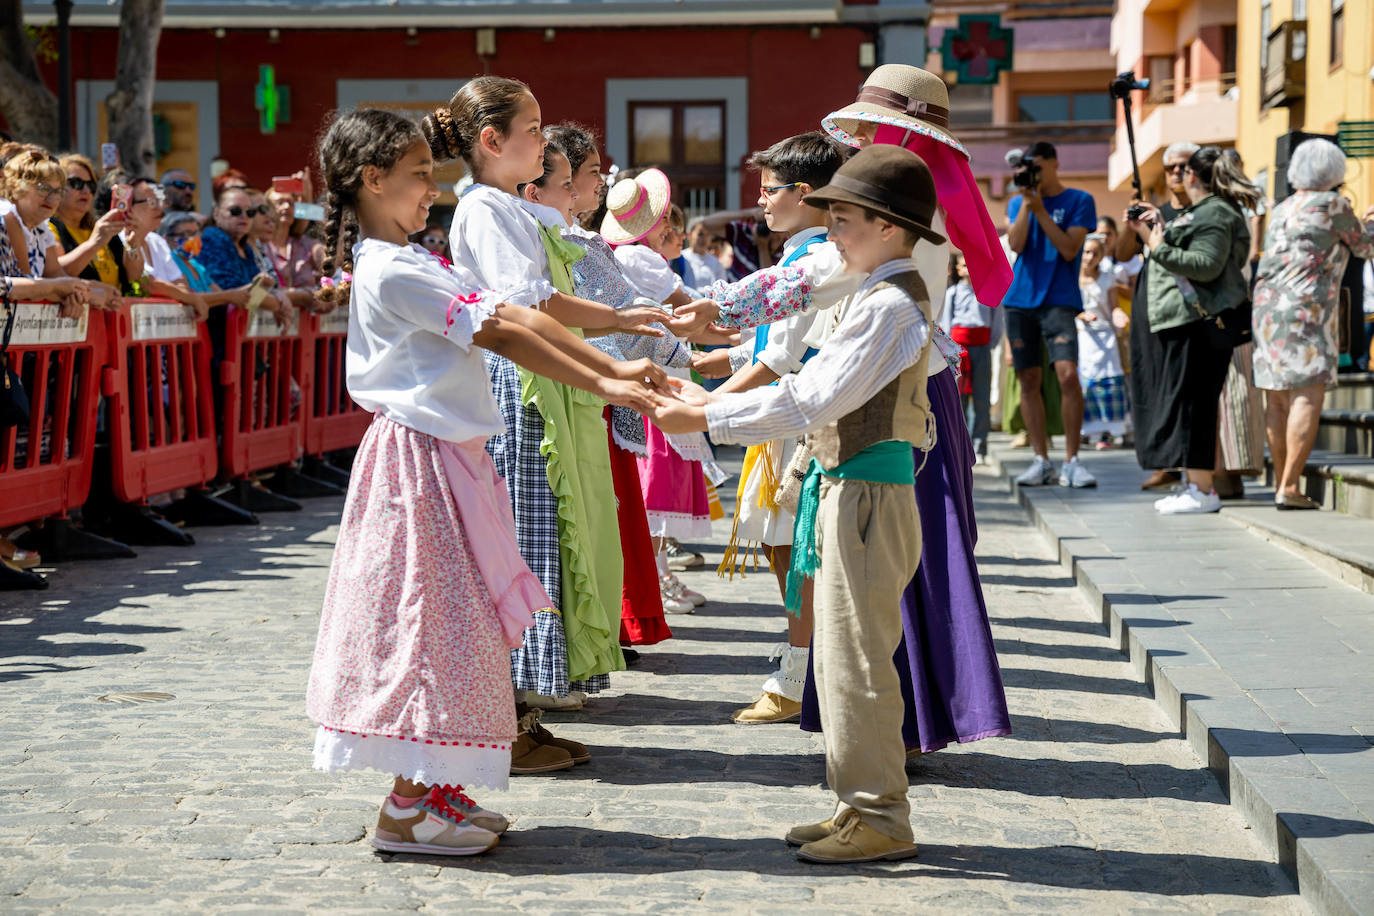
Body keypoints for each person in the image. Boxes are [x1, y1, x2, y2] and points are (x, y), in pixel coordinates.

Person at [305, 107, 664, 858]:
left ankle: (434, 788)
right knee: (431, 626)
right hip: (421, 466)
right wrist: (610, 377)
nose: (430, 191)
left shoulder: (410, 259)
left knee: (456, 624)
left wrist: (611, 364)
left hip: (446, 459)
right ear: (372, 181)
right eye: (418, 177)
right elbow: (500, 329)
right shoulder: (393, 267)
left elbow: (514, 315)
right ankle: (408, 804)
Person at [648, 144, 941, 864]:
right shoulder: (874, 288)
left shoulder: (890, 304)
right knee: (841, 658)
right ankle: (858, 805)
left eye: (842, 220)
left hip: (868, 495)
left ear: (887, 227)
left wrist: (707, 416)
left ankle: (880, 815)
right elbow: (800, 329)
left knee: (857, 662)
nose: (831, 234)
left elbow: (812, 397)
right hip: (852, 487)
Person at [429, 75, 677, 770]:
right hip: (520, 386)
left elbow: (548, 304)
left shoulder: (509, 206)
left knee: (553, 540)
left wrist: (619, 322)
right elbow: (526, 309)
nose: (543, 141)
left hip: (542, 378)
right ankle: (503, 720)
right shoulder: (484, 208)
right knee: (528, 546)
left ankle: (524, 713)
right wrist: (611, 343)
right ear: (492, 140)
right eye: (533, 129)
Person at [695, 130, 851, 725]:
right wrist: (728, 359)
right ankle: (803, 668)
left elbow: (781, 357)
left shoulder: (813, 260)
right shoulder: (803, 254)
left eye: (769, 190)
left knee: (794, 548)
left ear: (803, 193)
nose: (761, 200)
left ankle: (797, 676)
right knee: (785, 545)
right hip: (788, 416)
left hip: (795, 423)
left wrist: (708, 409)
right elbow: (773, 344)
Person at [1125, 146, 1258, 515]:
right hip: (1194, 321)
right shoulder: (1206, 211)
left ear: (1192, 176)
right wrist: (1157, 226)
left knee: (1197, 407)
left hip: (1202, 322)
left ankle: (1202, 490)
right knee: (1191, 406)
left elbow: (1205, 264)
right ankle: (1195, 485)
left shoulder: (1215, 212)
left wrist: (1155, 244)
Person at [1252, 139, 1374, 509]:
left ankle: (1282, 481)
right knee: (1308, 390)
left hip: (1267, 306)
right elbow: (1364, 246)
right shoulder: (1333, 204)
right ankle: (1289, 486)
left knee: (1276, 396)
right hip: (1307, 309)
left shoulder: (1283, 207)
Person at [1004, 141, 1097, 488]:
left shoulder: (1079, 200)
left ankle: (1072, 461)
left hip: (1059, 299)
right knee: (1028, 380)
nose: (1033, 174)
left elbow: (1070, 249)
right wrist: (1027, 205)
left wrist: (1041, 210)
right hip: (1020, 299)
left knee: (1067, 375)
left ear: (1054, 163)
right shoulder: (1018, 202)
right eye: (1027, 169)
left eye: (1037, 167)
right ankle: (1041, 460)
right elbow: (1015, 245)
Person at [1117, 141, 1196, 491]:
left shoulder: (1203, 213)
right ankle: (1164, 463)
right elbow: (1122, 254)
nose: (1177, 172)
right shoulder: (1155, 211)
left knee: (1183, 388)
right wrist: (1131, 222)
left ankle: (1191, 465)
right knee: (1150, 384)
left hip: (1188, 308)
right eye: (1170, 167)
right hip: (1149, 307)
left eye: (1184, 165)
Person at [940, 252, 1000, 460]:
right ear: (958, 269)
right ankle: (961, 443)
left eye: (972, 264)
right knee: (959, 397)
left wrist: (992, 342)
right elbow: (946, 322)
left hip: (981, 346)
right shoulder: (952, 293)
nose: (968, 269)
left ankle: (980, 442)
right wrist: (949, 351)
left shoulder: (988, 292)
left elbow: (997, 319)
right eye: (964, 265)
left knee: (982, 395)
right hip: (959, 350)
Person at [1076, 235, 1129, 447]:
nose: (1090, 257)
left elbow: (1114, 306)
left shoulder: (1107, 278)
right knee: (1087, 384)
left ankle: (1110, 432)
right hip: (1084, 337)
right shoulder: (1072, 278)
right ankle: (1088, 431)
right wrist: (1081, 315)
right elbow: (1070, 307)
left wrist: (1119, 315)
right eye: (1087, 252)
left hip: (1106, 337)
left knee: (1110, 384)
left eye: (1095, 253)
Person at [50, 154, 121, 286]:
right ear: (56, 187)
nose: (86, 190)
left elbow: (133, 277)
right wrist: (94, 243)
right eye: (77, 183)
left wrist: (135, 240)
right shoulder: (48, 227)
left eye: (91, 185)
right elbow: (53, 273)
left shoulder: (99, 227)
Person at [682, 217, 728, 288]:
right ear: (689, 235)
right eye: (700, 234)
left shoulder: (716, 263)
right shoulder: (681, 258)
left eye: (708, 234)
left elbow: (722, 288)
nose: (704, 239)